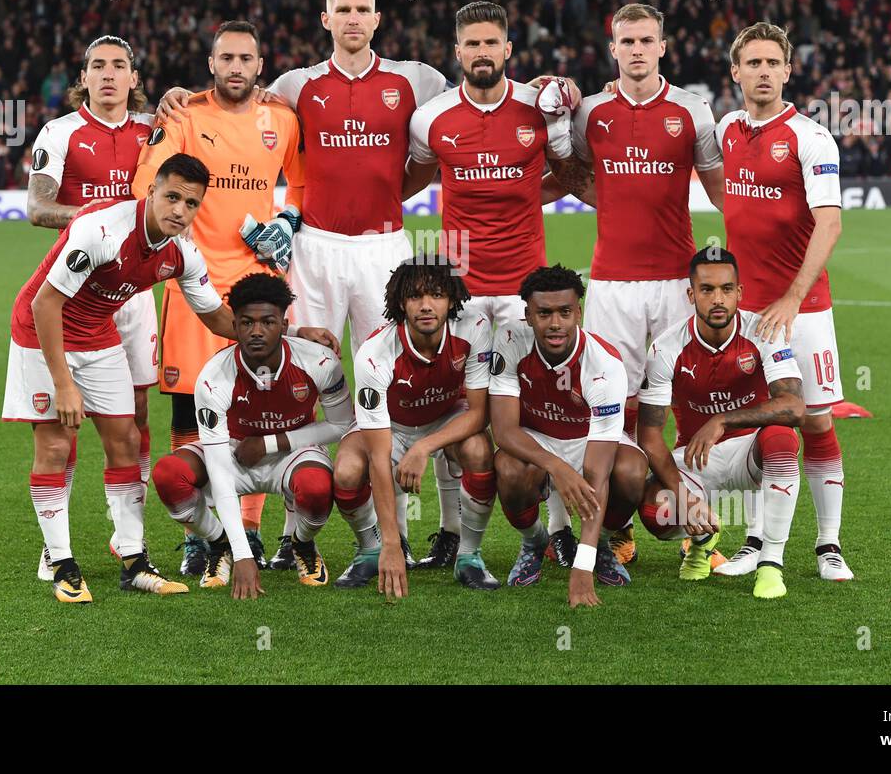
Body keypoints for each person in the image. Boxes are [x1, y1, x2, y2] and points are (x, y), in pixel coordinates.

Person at [154, 0, 450, 570]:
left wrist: (549, 84)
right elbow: (253, 120)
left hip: (382, 248)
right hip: (314, 250)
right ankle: (296, 533)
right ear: (325, 18)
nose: (353, 19)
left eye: (362, 9)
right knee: (302, 376)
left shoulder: (418, 80)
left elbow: (467, 107)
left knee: (401, 385)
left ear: (378, 16)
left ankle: (424, 531)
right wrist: (177, 95)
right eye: (342, 9)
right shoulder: (295, 87)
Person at [132, 20, 336, 575]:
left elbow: (304, 182)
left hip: (257, 289)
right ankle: (207, 534)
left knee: (262, 410)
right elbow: (143, 183)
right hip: (193, 285)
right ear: (212, 64)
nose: (237, 68)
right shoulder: (185, 116)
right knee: (188, 411)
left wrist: (288, 219)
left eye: (246, 58)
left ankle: (249, 529)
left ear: (260, 65)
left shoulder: (282, 119)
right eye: (227, 58)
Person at [543, 1, 727, 568]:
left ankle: (699, 525)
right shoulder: (592, 112)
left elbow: (723, 192)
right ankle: (606, 528)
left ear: (663, 47)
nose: (638, 50)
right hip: (614, 285)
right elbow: (569, 171)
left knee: (679, 404)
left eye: (648, 40)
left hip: (676, 282)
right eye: (628, 42)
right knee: (606, 406)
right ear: (614, 47)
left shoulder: (693, 112)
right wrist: (608, 197)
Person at [3, 154, 230, 603]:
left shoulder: (180, 252)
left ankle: (133, 559)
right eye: (171, 197)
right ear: (151, 191)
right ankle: (62, 562)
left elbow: (217, 317)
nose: (179, 211)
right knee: (55, 442)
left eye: (191, 203)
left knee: (125, 438)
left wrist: (290, 333)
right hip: (40, 330)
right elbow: (44, 304)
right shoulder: (102, 230)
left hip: (96, 333)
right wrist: (64, 384)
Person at [405, 0, 583, 566]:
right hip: (460, 289)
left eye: (492, 43)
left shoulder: (540, 106)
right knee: (453, 407)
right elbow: (411, 178)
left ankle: (558, 532)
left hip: (527, 291)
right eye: (471, 44)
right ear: (457, 52)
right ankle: (451, 531)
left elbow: (567, 173)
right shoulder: (432, 118)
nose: (482, 53)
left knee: (542, 405)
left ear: (509, 49)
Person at [714, 21, 853, 581]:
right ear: (736, 71)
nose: (764, 71)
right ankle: (754, 542)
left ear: (788, 70)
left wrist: (793, 299)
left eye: (773, 62)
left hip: (803, 312)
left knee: (815, 421)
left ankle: (828, 544)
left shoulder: (811, 138)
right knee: (756, 427)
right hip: (745, 313)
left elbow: (831, 223)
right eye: (753, 63)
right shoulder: (726, 129)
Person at [25, 34, 157, 582]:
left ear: (133, 78)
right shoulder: (59, 132)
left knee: (135, 418)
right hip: (76, 292)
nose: (108, 74)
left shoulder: (156, 130)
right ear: (84, 77)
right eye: (97, 66)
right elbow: (36, 206)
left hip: (137, 293)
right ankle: (57, 545)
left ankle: (128, 533)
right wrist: (101, 217)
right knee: (67, 418)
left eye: (118, 66)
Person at [151, 274, 354, 598]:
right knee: (167, 475)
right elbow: (217, 468)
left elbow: (343, 425)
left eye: (267, 322)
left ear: (284, 323)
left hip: (293, 451)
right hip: (233, 452)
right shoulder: (214, 377)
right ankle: (219, 545)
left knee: (317, 489)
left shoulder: (319, 361)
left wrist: (272, 442)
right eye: (246, 322)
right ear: (234, 323)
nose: (256, 331)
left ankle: (300, 544)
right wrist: (242, 551)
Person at [635, 247, 806, 599]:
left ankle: (771, 565)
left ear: (739, 293)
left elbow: (794, 407)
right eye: (707, 289)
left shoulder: (764, 332)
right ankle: (702, 540)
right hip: (697, 461)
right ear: (691, 294)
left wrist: (723, 419)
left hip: (750, 457)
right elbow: (649, 435)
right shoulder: (666, 348)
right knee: (655, 512)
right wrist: (683, 498)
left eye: (727, 289)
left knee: (781, 438)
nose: (718, 299)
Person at [331, 257, 497, 596]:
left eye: (435, 295)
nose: (425, 306)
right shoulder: (375, 353)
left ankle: (469, 555)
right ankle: (371, 548)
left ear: (452, 299)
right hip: (390, 425)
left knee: (479, 449)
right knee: (347, 471)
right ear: (400, 303)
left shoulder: (475, 326)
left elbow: (479, 413)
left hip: (448, 414)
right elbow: (379, 456)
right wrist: (392, 543)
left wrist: (424, 446)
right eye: (415, 296)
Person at [490, 265, 634, 608]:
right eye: (544, 313)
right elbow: (504, 430)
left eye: (565, 312)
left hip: (588, 439)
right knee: (509, 469)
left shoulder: (604, 365)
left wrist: (581, 569)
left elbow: (598, 472)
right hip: (535, 438)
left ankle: (596, 548)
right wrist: (557, 466)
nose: (555, 324)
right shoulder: (509, 341)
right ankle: (535, 542)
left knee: (629, 473)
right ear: (527, 314)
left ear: (578, 313)